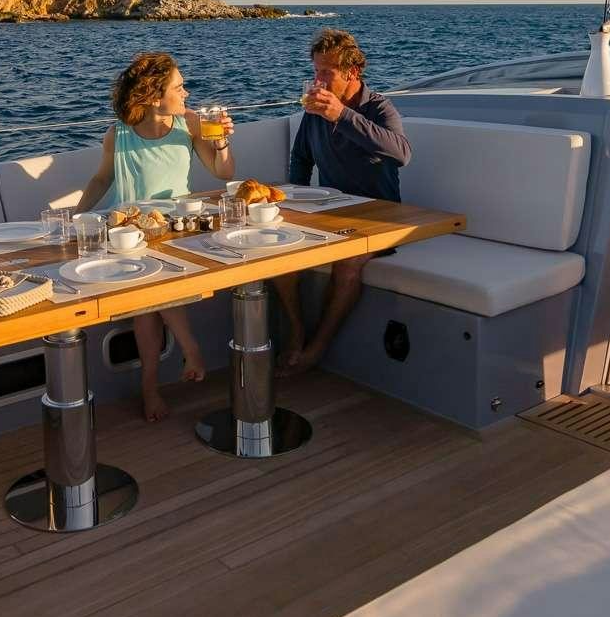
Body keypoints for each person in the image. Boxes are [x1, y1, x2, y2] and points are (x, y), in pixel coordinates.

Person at [75, 51, 235, 421]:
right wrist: (77, 215)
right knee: (150, 278)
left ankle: (151, 387)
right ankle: (188, 351)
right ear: (152, 95)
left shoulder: (191, 125)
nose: (187, 93)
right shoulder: (119, 135)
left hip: (178, 227)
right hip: (130, 231)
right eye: (179, 87)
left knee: (150, 289)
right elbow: (102, 179)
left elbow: (224, 173)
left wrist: (223, 141)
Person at [274, 29, 410, 374]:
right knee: (274, 248)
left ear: (352, 73)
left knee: (348, 262)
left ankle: (317, 348)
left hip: (379, 215)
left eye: (326, 72)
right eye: (315, 71)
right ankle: (297, 330)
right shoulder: (314, 111)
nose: (317, 80)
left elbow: (402, 153)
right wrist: (294, 202)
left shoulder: (378, 107)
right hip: (328, 211)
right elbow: (301, 158)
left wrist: (342, 116)